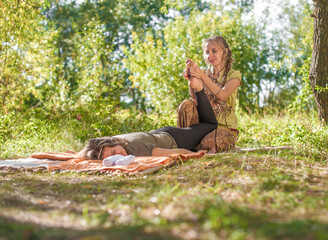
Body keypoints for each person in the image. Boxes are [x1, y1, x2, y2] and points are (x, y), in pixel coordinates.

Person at [79, 77, 218, 160]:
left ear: (112, 143)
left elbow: (174, 153)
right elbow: (87, 151)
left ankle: (198, 88)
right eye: (112, 157)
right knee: (199, 129)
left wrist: (197, 155)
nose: (118, 156)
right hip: (156, 135)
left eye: (115, 152)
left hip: (175, 138)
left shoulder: (138, 149)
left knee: (210, 124)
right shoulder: (116, 141)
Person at [179, 35, 242, 153]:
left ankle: (193, 145)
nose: (210, 55)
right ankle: (192, 143)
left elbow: (222, 95)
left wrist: (202, 76)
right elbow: (196, 100)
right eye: (207, 52)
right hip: (204, 126)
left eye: (214, 51)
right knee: (186, 105)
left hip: (225, 129)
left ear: (225, 52)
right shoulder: (204, 73)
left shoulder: (234, 75)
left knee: (209, 142)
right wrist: (190, 80)